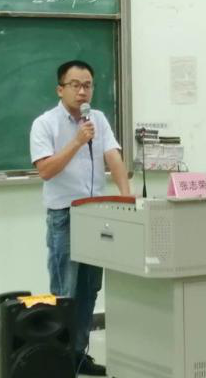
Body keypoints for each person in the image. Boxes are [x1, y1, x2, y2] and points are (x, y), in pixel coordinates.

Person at [29, 60, 131, 376]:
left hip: (96, 214)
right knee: (65, 291)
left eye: (88, 85)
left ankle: (77, 354)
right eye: (75, 85)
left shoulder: (97, 119)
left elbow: (113, 156)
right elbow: (45, 170)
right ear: (60, 89)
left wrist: (126, 195)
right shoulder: (44, 124)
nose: (82, 91)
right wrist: (76, 141)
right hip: (65, 215)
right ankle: (58, 360)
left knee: (89, 290)